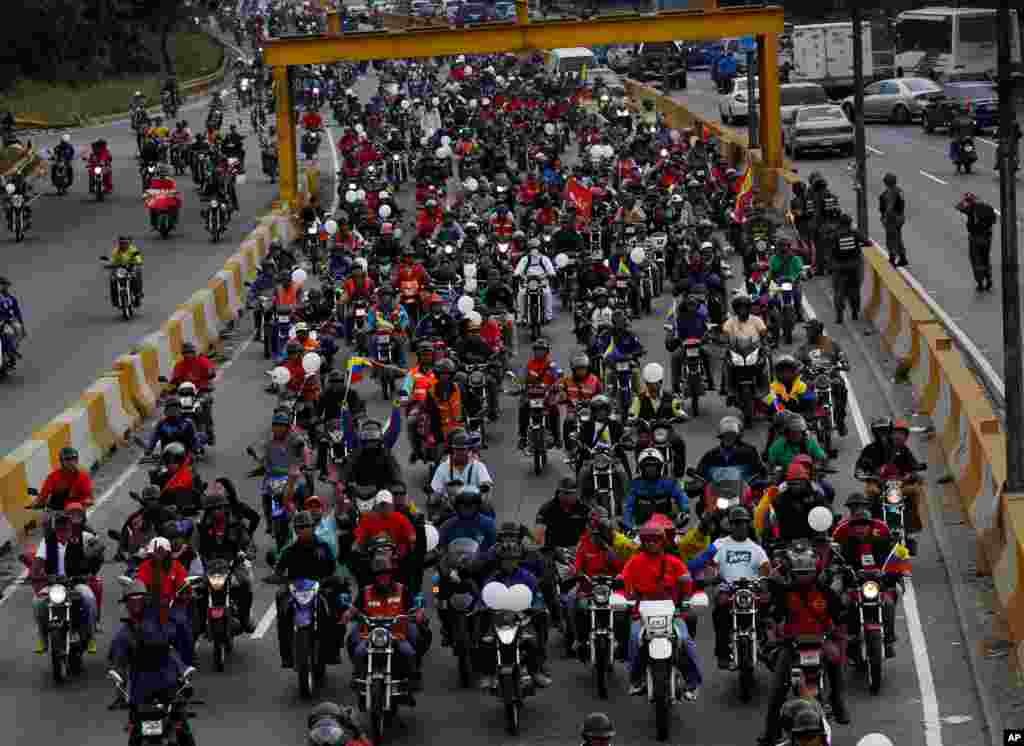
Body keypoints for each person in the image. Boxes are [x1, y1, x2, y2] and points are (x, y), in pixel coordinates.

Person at [758, 541, 848, 746]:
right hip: (792, 647)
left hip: (820, 644)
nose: (803, 576)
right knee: (776, 692)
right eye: (800, 572)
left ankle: (837, 701)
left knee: (836, 663)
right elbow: (772, 614)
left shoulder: (826, 592)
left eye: (807, 571)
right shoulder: (783, 592)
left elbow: (840, 615)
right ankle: (770, 733)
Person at [620, 522, 702, 699]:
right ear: (642, 542)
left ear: (662, 542)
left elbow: (687, 582)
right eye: (647, 540)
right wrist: (622, 595)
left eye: (655, 540)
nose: (651, 543)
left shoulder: (674, 562)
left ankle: (692, 683)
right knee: (634, 639)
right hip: (641, 614)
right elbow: (622, 581)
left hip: (672, 614)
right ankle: (636, 680)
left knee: (686, 641)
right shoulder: (634, 562)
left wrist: (687, 601)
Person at [687, 505, 770, 667]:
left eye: (743, 523)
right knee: (720, 612)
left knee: (767, 608)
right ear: (729, 525)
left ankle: (766, 644)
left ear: (748, 525)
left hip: (752, 590)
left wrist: (765, 583)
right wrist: (688, 571)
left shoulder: (757, 549)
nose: (740, 526)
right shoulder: (719, 544)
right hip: (728, 589)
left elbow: (766, 570)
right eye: (736, 523)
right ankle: (722, 653)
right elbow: (700, 562)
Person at [832, 492, 905, 659]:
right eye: (856, 524)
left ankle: (889, 638)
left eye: (864, 524)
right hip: (853, 583)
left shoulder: (883, 529)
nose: (860, 528)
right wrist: (840, 571)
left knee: (890, 601)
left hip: (879, 583)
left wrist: (892, 571)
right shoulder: (841, 531)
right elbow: (834, 557)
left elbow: (896, 554)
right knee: (841, 601)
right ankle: (846, 637)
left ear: (870, 524)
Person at [476, 539, 552, 689]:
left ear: (518, 561)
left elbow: (537, 596)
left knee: (532, 641)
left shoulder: (528, 577)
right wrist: (480, 606)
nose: (509, 563)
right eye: (505, 560)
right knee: (486, 642)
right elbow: (483, 597)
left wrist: (537, 607)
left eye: (513, 560)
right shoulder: (492, 579)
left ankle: (536, 671)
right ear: (499, 562)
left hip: (522, 618)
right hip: (497, 619)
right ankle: (488, 674)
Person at [343, 552, 426, 687]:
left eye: (386, 573)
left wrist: (418, 613)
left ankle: (413, 677)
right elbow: (354, 609)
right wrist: (348, 614)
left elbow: (415, 607)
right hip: (369, 634)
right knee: (357, 651)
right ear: (374, 576)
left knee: (409, 652)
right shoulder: (366, 591)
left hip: (397, 634)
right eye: (379, 574)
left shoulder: (402, 589)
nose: (383, 577)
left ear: (391, 574)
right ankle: (358, 675)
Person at [107, 581, 192, 710]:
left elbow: (176, 639)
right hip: (140, 683)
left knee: (179, 716)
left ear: (146, 601)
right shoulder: (124, 632)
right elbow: (116, 655)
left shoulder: (158, 621)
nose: (136, 605)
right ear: (127, 604)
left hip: (166, 677)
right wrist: (117, 672)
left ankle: (183, 670)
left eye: (139, 600)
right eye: (132, 601)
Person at [274, 511, 337, 668]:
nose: (303, 530)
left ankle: (332, 650)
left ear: (313, 527)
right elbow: (279, 570)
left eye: (306, 527)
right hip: (296, 590)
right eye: (299, 528)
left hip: (320, 588)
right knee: (280, 600)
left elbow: (333, 568)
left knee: (335, 603)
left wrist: (334, 579)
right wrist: (277, 579)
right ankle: (286, 654)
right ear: (295, 530)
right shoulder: (289, 550)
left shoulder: (323, 547)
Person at [31, 511, 99, 654]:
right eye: (59, 529)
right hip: (53, 584)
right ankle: (42, 637)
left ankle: (91, 636)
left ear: (71, 528)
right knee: (37, 602)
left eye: (66, 529)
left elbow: (98, 550)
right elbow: (37, 566)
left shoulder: (82, 538)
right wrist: (37, 575)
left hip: (76, 582)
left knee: (89, 599)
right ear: (55, 529)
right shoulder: (47, 542)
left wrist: (90, 568)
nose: (63, 532)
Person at [197, 489, 256, 633]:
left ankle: (245, 617)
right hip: (209, 566)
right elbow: (194, 546)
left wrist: (247, 553)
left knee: (245, 582)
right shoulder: (201, 528)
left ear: (225, 508)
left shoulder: (236, 525)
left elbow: (248, 544)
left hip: (233, 565)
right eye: (212, 509)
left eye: (219, 508)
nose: (216, 511)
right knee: (198, 590)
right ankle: (200, 622)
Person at [135, 536, 193, 664]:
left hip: (173, 606)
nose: (157, 556)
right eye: (154, 553)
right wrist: (141, 595)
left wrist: (183, 593)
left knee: (183, 625)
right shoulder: (145, 567)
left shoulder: (176, 566)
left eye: (160, 553)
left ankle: (187, 660)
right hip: (152, 607)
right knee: (136, 629)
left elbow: (184, 585)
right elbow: (139, 585)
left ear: (167, 553)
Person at [628, 362, 687, 475]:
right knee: (640, 443)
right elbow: (632, 412)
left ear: (661, 382)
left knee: (679, 443)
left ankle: (679, 475)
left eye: (655, 384)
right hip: (647, 432)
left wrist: (681, 415)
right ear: (646, 384)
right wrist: (632, 418)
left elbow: (678, 410)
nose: (653, 387)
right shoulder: (639, 399)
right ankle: (640, 470)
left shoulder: (670, 397)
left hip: (667, 432)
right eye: (650, 384)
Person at [796, 320, 849, 437]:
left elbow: (841, 355)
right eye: (807, 330)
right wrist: (798, 366)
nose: (807, 333)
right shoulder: (803, 348)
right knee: (801, 392)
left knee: (841, 388)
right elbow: (796, 360)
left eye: (809, 330)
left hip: (831, 378)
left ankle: (840, 419)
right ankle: (806, 419)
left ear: (817, 331)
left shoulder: (832, 344)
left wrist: (844, 363)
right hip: (811, 379)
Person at [624, 449, 689, 530]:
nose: (651, 469)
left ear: (660, 467)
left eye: (654, 466)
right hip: (641, 529)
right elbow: (628, 508)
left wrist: (684, 511)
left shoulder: (670, 483)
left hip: (667, 528)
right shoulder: (634, 485)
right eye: (647, 466)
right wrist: (628, 527)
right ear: (641, 468)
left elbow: (681, 496)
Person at [719, 293, 768, 395]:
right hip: (736, 349)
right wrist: (724, 339)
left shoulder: (756, 319)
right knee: (725, 361)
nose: (742, 310)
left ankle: (768, 384)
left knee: (768, 357)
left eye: (745, 307)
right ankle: (725, 387)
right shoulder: (731, 321)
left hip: (754, 348)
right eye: (740, 307)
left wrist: (764, 339)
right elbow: (725, 332)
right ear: (736, 309)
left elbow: (763, 331)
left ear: (749, 308)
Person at [518, 338, 562, 450]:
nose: (539, 352)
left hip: (547, 395)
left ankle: (557, 437)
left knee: (554, 409)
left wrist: (557, 385)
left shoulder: (552, 365)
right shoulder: (529, 365)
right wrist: (521, 385)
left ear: (546, 352)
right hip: (532, 395)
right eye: (537, 350)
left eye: (542, 350)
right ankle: (522, 437)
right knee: (523, 407)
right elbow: (522, 378)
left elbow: (559, 376)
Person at [667, 289, 714, 394]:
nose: (691, 307)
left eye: (693, 305)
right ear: (686, 306)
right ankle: (675, 384)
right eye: (689, 305)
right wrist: (676, 338)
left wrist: (707, 336)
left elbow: (707, 330)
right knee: (675, 357)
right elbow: (676, 331)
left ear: (697, 306)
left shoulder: (702, 317)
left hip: (699, 345)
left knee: (708, 355)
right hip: (684, 346)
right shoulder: (680, 318)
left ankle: (710, 381)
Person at [341, 416, 403, 492]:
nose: (370, 437)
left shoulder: (385, 451)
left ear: (379, 435)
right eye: (367, 434)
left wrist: (399, 483)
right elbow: (348, 468)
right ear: (362, 435)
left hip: (382, 491)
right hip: (359, 490)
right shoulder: (357, 452)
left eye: (374, 433)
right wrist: (343, 483)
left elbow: (395, 468)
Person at [695, 416, 764, 483]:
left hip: (742, 492)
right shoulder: (710, 455)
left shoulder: (750, 452)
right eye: (726, 435)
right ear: (721, 437)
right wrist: (697, 480)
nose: (728, 438)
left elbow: (760, 472)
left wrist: (759, 479)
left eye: (732, 435)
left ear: (737, 437)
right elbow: (700, 475)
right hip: (715, 493)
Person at [430, 429, 493, 496]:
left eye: (463, 449)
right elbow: (435, 491)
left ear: (468, 450)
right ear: (452, 450)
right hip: (449, 504)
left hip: (474, 503)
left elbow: (486, 484)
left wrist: (485, 486)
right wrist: (436, 496)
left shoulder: (479, 466)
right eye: (457, 449)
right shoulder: (443, 468)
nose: (460, 452)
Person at [956, 191, 997, 292]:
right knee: (985, 258)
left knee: (976, 260)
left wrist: (965, 201)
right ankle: (988, 278)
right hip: (987, 237)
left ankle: (980, 283)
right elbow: (994, 220)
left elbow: (959, 207)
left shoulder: (971, 208)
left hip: (975, 238)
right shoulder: (988, 207)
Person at [830, 213, 865, 322]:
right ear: (850, 223)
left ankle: (839, 316)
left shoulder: (835, 235)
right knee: (854, 290)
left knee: (838, 292)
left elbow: (830, 250)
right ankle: (854, 312)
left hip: (839, 268)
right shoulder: (855, 233)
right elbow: (867, 242)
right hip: (854, 267)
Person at [424, 358, 464, 447]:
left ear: (451, 375)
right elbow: (429, 415)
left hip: (459, 429)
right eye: (442, 374)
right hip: (440, 431)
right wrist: (430, 435)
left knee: (472, 450)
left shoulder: (459, 387)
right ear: (437, 375)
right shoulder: (431, 392)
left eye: (448, 374)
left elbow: (468, 404)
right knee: (438, 454)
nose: (445, 376)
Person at [514, 242, 557, 323]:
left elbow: (551, 271)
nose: (534, 250)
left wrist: (550, 274)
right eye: (532, 248)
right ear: (528, 250)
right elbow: (517, 271)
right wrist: (518, 275)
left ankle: (548, 316)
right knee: (521, 294)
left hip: (541, 283)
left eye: (536, 248)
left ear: (539, 249)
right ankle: (521, 317)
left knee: (547, 294)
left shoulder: (545, 259)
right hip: (527, 283)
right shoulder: (524, 259)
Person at [879, 173, 907, 267]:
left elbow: (889, 207)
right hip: (900, 217)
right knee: (898, 238)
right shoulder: (899, 191)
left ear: (886, 182)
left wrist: (885, 218)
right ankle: (903, 258)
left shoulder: (890, 193)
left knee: (891, 239)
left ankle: (892, 259)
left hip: (892, 218)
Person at [0, 275, 25, 362]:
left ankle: (12, 351)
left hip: (9, 321)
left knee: (19, 330)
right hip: (1, 321)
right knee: (9, 333)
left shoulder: (12, 299)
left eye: (6, 285)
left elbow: (17, 312)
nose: (4, 287)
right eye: (3, 284)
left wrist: (21, 324)